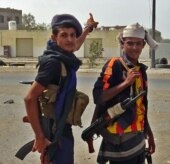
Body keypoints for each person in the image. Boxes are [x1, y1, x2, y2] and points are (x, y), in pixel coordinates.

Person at [23, 13, 97, 164]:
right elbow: (29, 98)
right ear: (54, 38)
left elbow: (76, 44)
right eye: (64, 35)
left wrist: (88, 29)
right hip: (54, 129)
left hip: (62, 125)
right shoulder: (54, 63)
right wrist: (40, 137)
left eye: (72, 35)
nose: (70, 40)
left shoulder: (64, 55)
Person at [92, 22, 157, 164]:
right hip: (119, 142)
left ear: (143, 45)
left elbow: (140, 106)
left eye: (138, 44)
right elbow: (98, 97)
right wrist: (126, 83)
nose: (134, 47)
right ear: (122, 44)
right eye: (130, 43)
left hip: (138, 139)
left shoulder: (140, 71)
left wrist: (149, 135)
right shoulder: (114, 64)